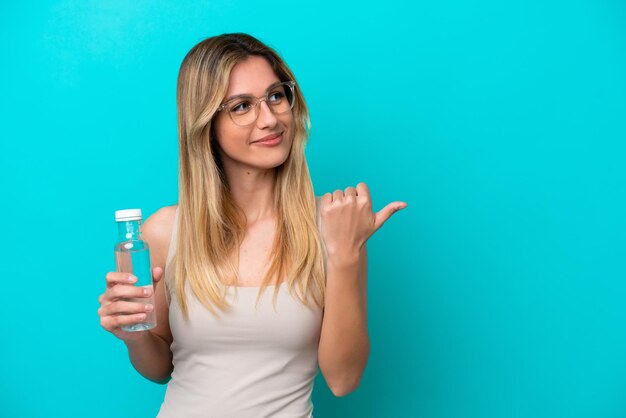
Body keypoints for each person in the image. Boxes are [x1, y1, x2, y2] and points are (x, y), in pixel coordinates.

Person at [97, 33, 407, 418]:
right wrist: (133, 336)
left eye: (276, 96)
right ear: (205, 123)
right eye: (242, 106)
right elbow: (160, 368)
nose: (270, 118)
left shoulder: (332, 226)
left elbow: (343, 380)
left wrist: (345, 254)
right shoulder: (164, 230)